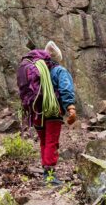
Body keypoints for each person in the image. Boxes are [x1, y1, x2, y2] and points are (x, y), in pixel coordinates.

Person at [16, 40, 77, 186]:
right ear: (57, 58)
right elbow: (65, 89)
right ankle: (49, 176)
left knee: (44, 141)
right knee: (51, 141)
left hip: (37, 110)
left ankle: (46, 171)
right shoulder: (59, 71)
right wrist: (71, 108)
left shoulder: (38, 70)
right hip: (52, 110)